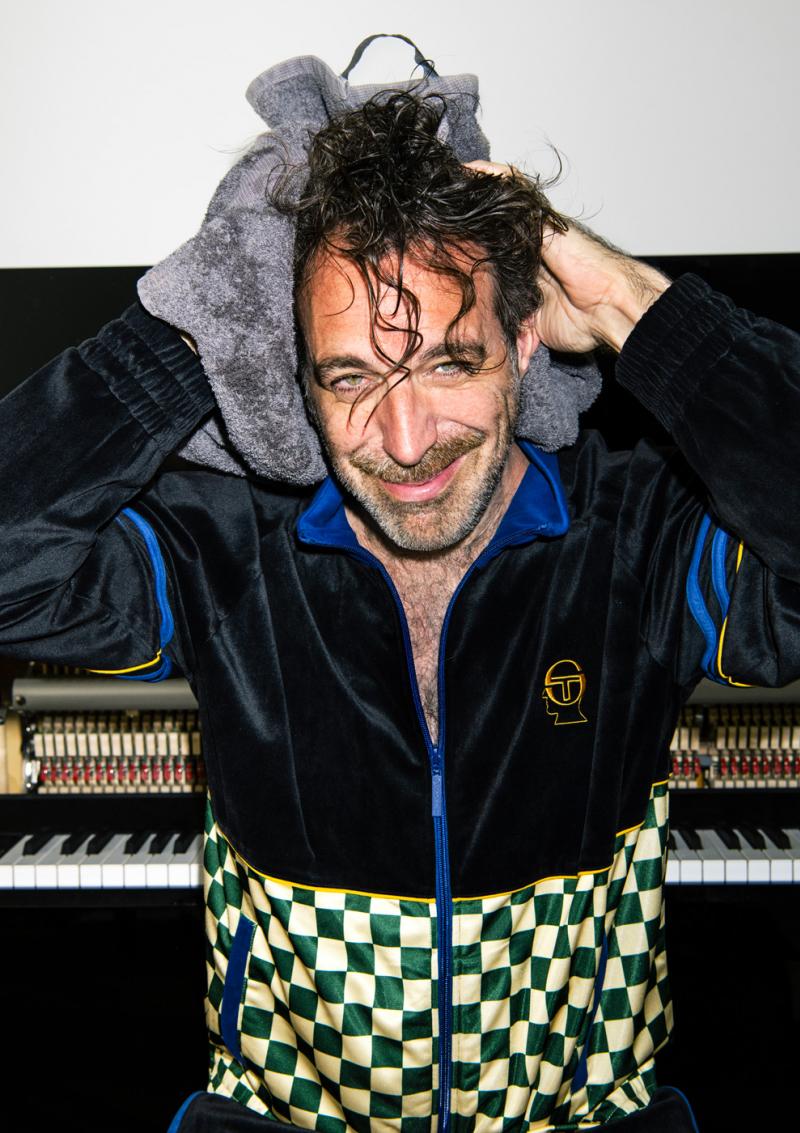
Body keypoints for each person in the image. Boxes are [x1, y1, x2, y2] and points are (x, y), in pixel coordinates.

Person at [1, 91, 799, 1133]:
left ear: (522, 340)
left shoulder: (640, 536)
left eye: (448, 361)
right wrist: (192, 329)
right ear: (296, 383)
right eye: (350, 377)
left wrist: (632, 304)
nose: (408, 437)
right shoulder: (224, 545)